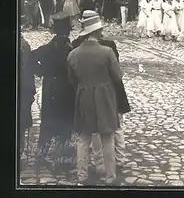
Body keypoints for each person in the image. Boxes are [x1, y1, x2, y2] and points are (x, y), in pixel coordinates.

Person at [67, 11, 123, 185]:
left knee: (83, 138)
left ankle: (82, 175)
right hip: (105, 97)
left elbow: (71, 80)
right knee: (107, 136)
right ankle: (110, 175)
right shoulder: (107, 52)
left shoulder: (73, 54)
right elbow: (118, 77)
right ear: (96, 32)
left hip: (83, 96)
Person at [31, 12, 75, 172]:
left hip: (50, 89)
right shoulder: (73, 49)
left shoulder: (46, 49)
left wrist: (41, 70)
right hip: (69, 89)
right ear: (69, 31)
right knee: (66, 122)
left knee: (48, 122)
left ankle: (41, 155)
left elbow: (30, 59)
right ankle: (63, 159)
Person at [19, 35, 36, 174]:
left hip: (22, 90)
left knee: (21, 123)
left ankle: (18, 153)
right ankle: (19, 153)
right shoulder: (24, 45)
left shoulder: (23, 45)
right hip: (23, 90)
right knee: (21, 123)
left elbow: (27, 70)